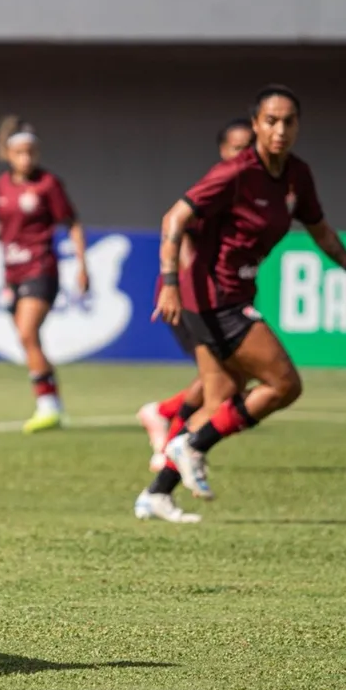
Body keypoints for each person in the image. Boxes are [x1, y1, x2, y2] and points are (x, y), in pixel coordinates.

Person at [135, 84, 346, 522]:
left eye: (289, 121)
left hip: (230, 296)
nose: (280, 129)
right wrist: (170, 283)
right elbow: (174, 217)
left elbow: (319, 229)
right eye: (271, 120)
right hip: (214, 298)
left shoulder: (297, 176)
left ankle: (157, 494)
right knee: (284, 383)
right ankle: (190, 444)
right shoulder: (236, 173)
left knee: (221, 401)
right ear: (255, 125)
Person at [137, 118, 255, 471]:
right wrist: (179, 284)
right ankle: (173, 438)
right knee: (222, 380)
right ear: (222, 152)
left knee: (229, 378)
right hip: (194, 297)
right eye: (237, 148)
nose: (244, 155)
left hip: (224, 296)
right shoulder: (216, 187)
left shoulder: (251, 190)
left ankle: (165, 418)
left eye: (249, 148)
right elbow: (177, 222)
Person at [0, 115, 90, 434]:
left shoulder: (48, 185)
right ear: (9, 155)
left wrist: (82, 264)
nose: (26, 158)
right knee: (29, 340)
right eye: (20, 152)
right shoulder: (2, 184)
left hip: (41, 267)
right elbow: (1, 223)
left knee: (27, 332)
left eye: (31, 152)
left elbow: (72, 223)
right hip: (11, 269)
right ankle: (52, 402)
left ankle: (47, 407)